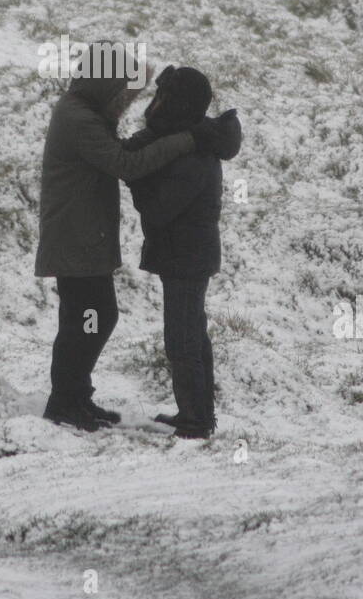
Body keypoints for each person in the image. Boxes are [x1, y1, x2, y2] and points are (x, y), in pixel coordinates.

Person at [35, 44, 237, 432]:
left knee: (90, 318)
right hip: (75, 239)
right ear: (103, 84)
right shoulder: (79, 119)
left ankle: (75, 396)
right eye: (121, 94)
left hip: (83, 237)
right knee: (88, 319)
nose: (126, 103)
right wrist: (188, 139)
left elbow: (127, 158)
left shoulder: (83, 113)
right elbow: (124, 163)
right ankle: (66, 399)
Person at [126, 66, 241, 439]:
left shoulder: (192, 154)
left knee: (184, 341)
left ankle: (196, 419)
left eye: (164, 98)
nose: (155, 104)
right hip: (187, 255)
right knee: (191, 336)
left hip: (186, 258)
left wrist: (136, 175)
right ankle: (196, 414)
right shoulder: (193, 141)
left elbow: (158, 209)